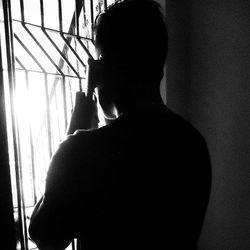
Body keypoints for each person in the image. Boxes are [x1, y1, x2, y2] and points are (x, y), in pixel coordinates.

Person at [29, 0, 211, 249]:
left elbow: (45, 236)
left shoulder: (83, 150)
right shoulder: (193, 143)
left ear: (104, 67)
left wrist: (79, 120)